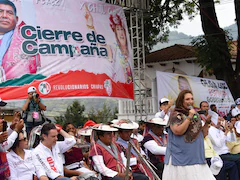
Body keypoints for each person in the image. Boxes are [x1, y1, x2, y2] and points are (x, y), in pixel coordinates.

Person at [162, 90, 215, 180]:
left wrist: (207, 123)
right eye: (187, 99)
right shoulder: (175, 114)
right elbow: (177, 131)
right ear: (181, 101)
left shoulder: (195, 114)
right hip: (181, 157)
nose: (190, 101)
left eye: (192, 99)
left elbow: (203, 134)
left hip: (196, 155)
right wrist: (189, 117)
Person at [0, 0, 39, 82]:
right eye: (0, 11)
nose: (4, 16)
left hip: (18, 89)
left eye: (9, 13)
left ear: (16, 19)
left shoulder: (25, 36)